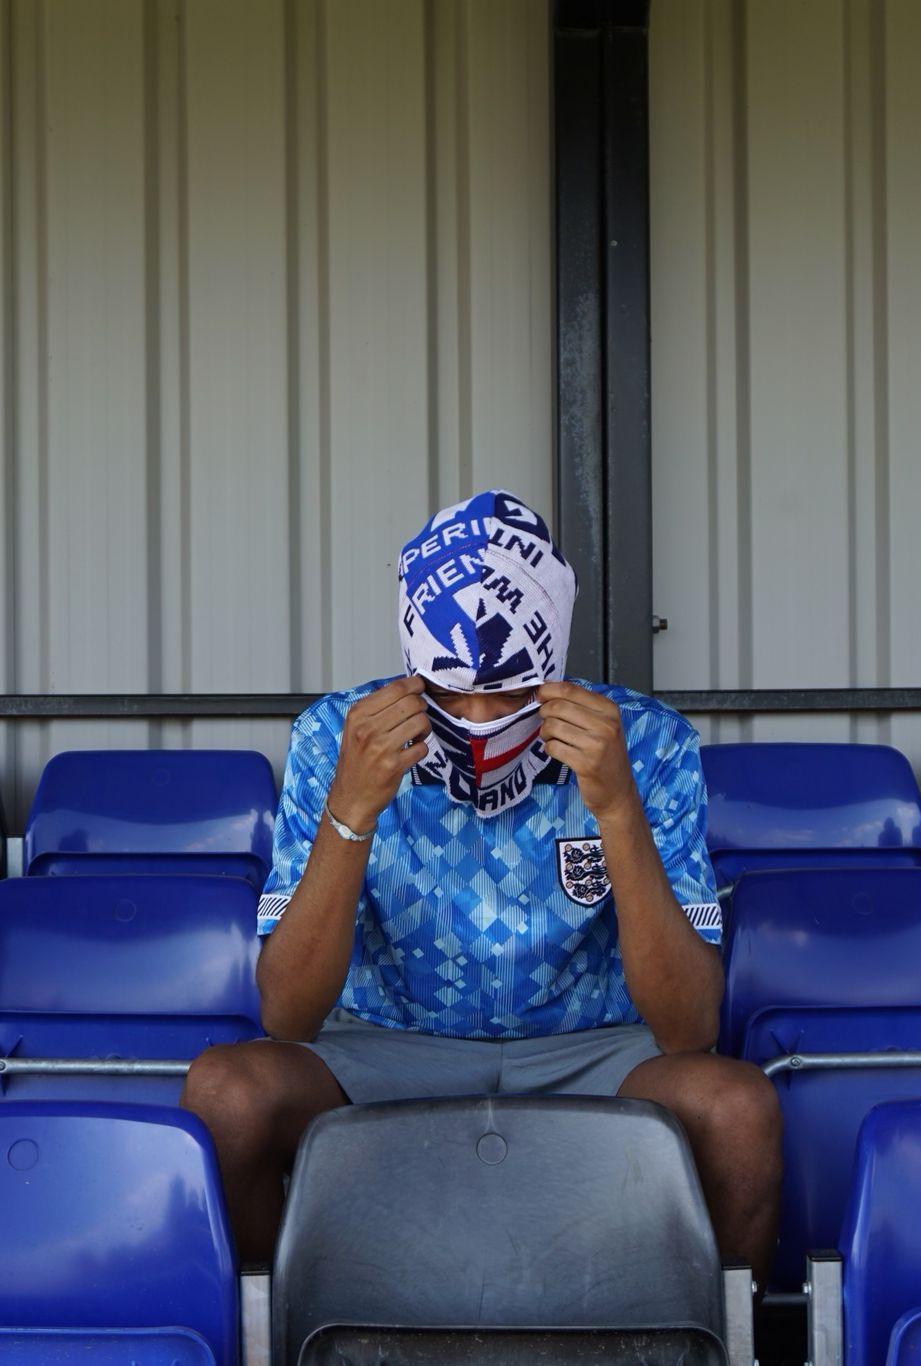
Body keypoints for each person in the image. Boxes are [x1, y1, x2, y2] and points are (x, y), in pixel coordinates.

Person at [182, 489, 780, 1277]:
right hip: (385, 1046)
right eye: (449, 689)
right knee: (226, 1093)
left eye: (507, 690)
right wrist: (352, 808)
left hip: (593, 1048)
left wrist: (616, 806)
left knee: (740, 1110)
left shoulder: (646, 740)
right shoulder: (339, 735)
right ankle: (268, 1331)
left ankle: (717, 1341)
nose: (476, 713)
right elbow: (288, 1014)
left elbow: (689, 1027)